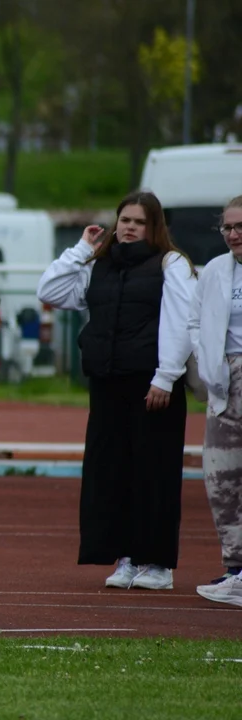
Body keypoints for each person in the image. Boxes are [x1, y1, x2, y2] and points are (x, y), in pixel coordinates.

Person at [37, 191, 196, 591]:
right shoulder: (99, 266)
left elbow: (182, 321)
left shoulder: (170, 263)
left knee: (153, 475)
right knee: (112, 474)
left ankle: (157, 563)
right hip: (108, 383)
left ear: (154, 226)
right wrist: (80, 249)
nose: (129, 227)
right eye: (124, 220)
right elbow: (50, 291)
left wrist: (166, 376)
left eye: (138, 222)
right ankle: (126, 557)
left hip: (152, 385)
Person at [189, 195, 242, 607]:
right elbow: (196, 319)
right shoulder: (214, 271)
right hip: (225, 381)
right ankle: (236, 569)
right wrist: (208, 365)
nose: (233, 234)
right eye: (227, 227)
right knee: (221, 476)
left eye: (240, 226)